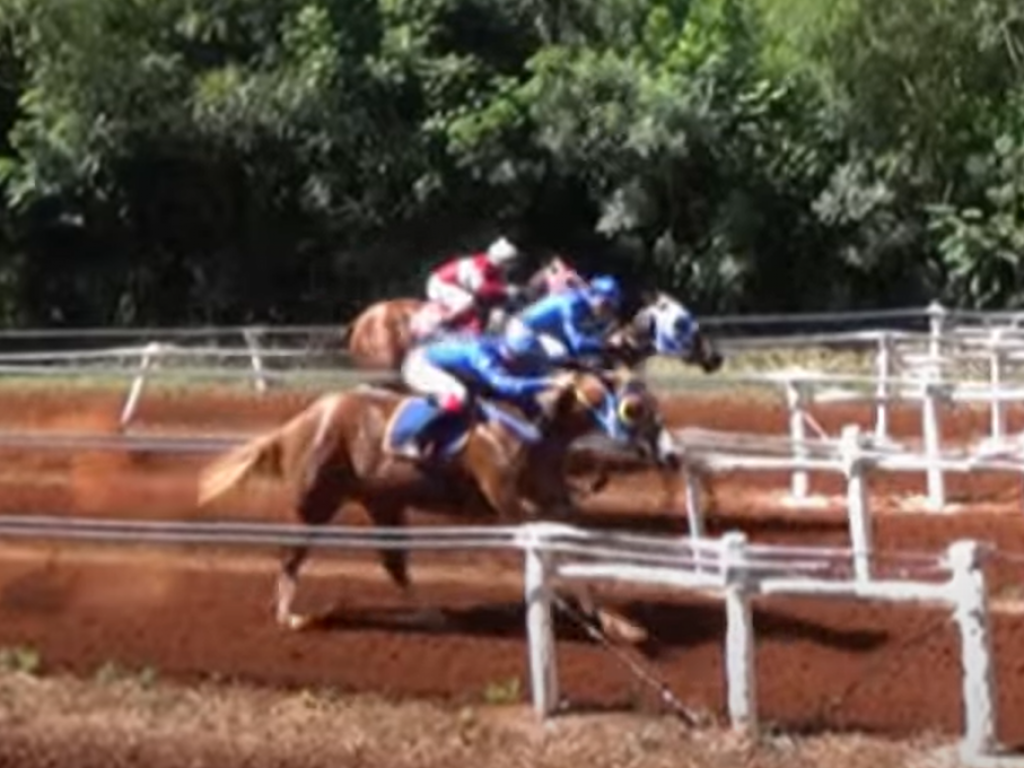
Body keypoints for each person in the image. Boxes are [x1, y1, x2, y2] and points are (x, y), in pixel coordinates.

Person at [399, 333, 562, 458]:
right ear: (512, 353)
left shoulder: (502, 348)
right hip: (421, 365)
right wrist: (547, 383)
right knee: (459, 396)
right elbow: (505, 385)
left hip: (451, 368)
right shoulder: (482, 353)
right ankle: (417, 438)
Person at [502, 275, 623, 369]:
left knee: (570, 357)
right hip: (523, 334)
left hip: (529, 332)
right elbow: (578, 343)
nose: (606, 312)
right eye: (606, 306)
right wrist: (607, 344)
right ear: (597, 297)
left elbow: (570, 340)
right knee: (561, 357)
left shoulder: (580, 301)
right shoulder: (573, 304)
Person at [425, 236, 522, 335]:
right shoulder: (478, 267)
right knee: (468, 302)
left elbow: (496, 290)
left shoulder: (495, 269)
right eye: (511, 263)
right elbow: (481, 289)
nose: (512, 266)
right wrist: (504, 290)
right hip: (440, 284)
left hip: (457, 285)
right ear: (503, 262)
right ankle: (444, 322)